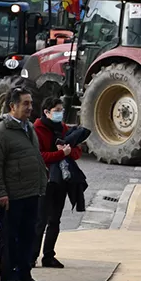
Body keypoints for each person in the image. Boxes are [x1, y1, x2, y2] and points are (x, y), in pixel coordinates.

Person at [0, 87, 47, 281]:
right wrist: (1, 193)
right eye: (25, 104)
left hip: (31, 193)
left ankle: (24, 275)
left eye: (31, 103)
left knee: (28, 237)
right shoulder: (0, 133)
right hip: (12, 197)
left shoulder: (28, 128)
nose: (30, 107)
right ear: (12, 106)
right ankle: (9, 279)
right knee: (9, 239)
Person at [33, 97, 82, 268]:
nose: (60, 113)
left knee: (55, 220)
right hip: (44, 180)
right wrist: (60, 154)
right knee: (40, 220)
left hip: (61, 180)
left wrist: (68, 151)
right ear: (46, 112)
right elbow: (39, 156)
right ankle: (32, 256)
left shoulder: (63, 128)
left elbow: (76, 151)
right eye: (57, 110)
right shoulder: (37, 129)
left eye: (61, 110)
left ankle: (48, 255)